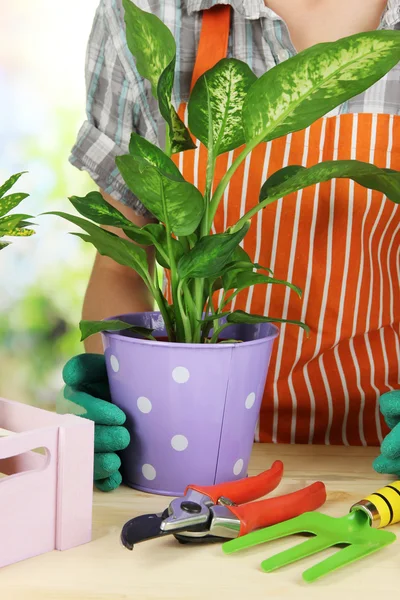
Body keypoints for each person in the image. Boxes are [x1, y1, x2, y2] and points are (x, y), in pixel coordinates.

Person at [62, 0, 400, 491]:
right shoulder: (149, 12)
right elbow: (122, 268)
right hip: (181, 459)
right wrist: (116, 398)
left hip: (382, 467)